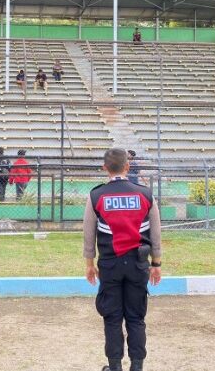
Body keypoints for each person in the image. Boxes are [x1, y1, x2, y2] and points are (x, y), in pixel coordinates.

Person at [83, 148, 162, 371]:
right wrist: (156, 264)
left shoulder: (96, 195)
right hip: (138, 264)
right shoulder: (145, 194)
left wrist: (89, 264)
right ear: (128, 166)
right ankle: (137, 366)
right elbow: (156, 234)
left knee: (112, 317)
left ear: (105, 168)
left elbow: (88, 234)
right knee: (136, 317)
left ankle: (114, 366)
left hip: (109, 265)